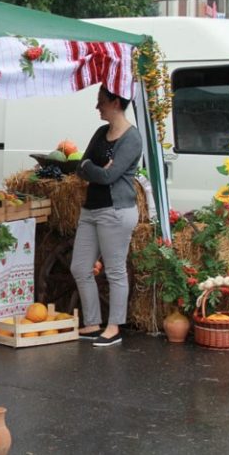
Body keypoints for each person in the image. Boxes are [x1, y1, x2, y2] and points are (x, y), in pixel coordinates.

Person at [70, 85, 143, 347]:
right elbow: (81, 167)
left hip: (116, 211)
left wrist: (96, 169)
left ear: (115, 101)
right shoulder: (102, 133)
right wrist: (93, 167)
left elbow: (109, 176)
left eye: (100, 101)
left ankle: (114, 328)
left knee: (114, 271)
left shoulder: (132, 138)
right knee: (80, 267)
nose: (97, 106)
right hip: (91, 209)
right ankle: (92, 323)